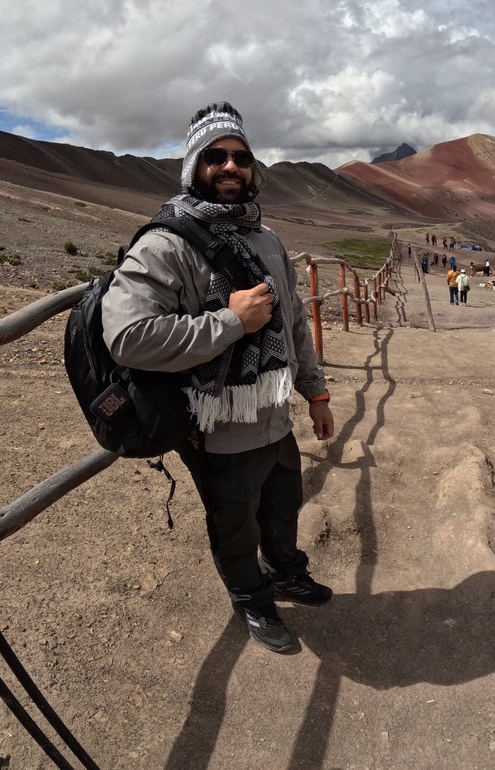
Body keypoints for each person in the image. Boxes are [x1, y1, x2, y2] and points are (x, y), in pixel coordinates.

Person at [101, 101, 335, 654]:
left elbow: (296, 321)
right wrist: (231, 322)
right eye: (215, 157)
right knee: (234, 524)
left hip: (275, 414)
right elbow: (128, 336)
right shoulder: (165, 244)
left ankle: (286, 573)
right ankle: (253, 600)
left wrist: (317, 393)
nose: (231, 167)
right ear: (193, 167)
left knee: (283, 505)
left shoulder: (266, 239)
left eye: (240, 157)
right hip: (217, 427)